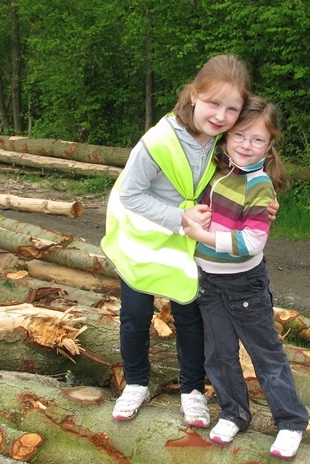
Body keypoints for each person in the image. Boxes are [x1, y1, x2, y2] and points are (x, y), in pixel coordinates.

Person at [101, 55, 277, 427]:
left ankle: (192, 389)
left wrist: (262, 207)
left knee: (189, 315)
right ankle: (135, 382)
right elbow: (130, 194)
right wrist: (179, 218)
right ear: (193, 95)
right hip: (144, 236)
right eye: (214, 103)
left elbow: (244, 177)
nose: (220, 115)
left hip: (188, 240)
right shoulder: (159, 141)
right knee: (135, 314)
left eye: (232, 109)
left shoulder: (222, 141)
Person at [182, 96, 309, 459]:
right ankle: (234, 412)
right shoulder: (213, 171)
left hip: (244, 285)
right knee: (219, 352)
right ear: (225, 137)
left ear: (270, 146)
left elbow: (251, 243)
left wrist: (201, 237)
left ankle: (290, 422)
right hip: (208, 280)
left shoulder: (259, 186)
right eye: (239, 136)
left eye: (257, 140)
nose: (246, 145)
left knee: (265, 353)